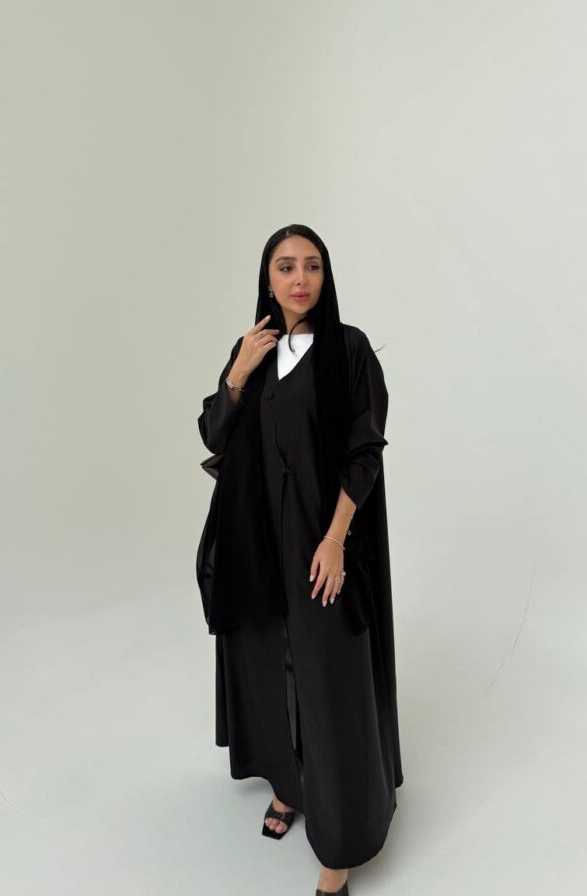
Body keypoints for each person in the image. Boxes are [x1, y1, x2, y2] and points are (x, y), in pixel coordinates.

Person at [196, 224, 403, 896]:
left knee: (328, 681)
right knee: (268, 666)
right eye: (285, 267)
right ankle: (289, 785)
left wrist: (336, 540)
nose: (300, 279)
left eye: (312, 266)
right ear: (267, 278)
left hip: (322, 546)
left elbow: (364, 452)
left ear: (325, 276)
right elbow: (214, 433)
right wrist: (238, 371)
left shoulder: (348, 349)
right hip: (258, 544)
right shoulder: (253, 349)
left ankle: (339, 845)